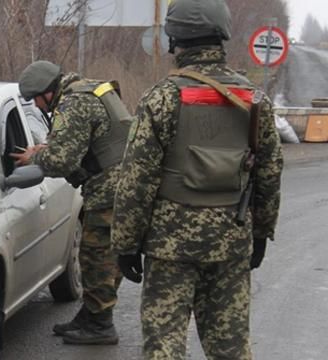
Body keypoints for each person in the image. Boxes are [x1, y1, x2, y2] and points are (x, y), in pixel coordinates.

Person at [111, 0, 283, 359]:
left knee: (164, 344)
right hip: (231, 243)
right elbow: (269, 173)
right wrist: (261, 232)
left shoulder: (161, 99)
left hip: (170, 248)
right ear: (222, 35)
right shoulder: (255, 100)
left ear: (176, 39)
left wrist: (126, 243)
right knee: (231, 347)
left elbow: (136, 180)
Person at [11, 60, 132, 345]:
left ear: (47, 92)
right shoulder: (89, 89)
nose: (39, 108)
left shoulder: (74, 103)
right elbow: (88, 140)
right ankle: (92, 316)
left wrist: (35, 157)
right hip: (125, 184)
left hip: (109, 190)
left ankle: (101, 325)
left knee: (96, 257)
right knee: (106, 256)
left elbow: (61, 161)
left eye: (37, 101)